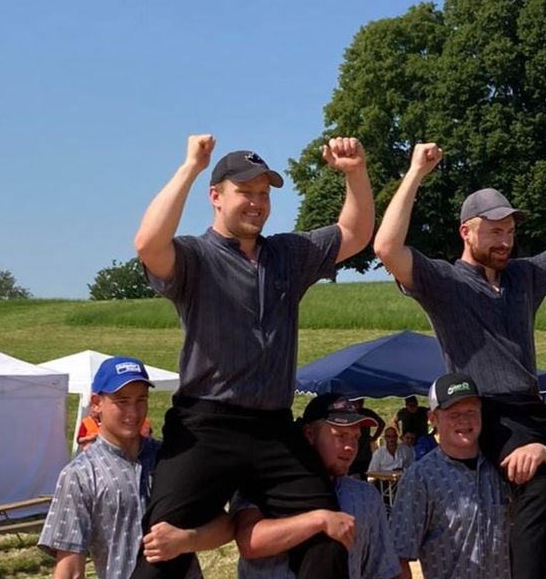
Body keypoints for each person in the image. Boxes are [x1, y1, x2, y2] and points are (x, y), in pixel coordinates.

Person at [375, 142, 546, 578]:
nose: (505, 240)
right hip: (491, 408)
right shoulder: (445, 281)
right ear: (466, 232)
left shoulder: (523, 276)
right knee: (537, 480)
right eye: (494, 230)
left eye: (509, 230)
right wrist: (415, 174)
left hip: (534, 407)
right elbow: (386, 247)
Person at [132, 134, 374, 578]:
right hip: (206, 424)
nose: (257, 202)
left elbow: (355, 234)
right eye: (245, 192)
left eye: (264, 194)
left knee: (328, 534)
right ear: (216, 197)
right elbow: (148, 243)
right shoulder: (195, 256)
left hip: (273, 428)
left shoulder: (287, 254)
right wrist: (191, 166)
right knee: (160, 545)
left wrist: (355, 173)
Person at [143, 394, 401, 579]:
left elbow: (383, 569)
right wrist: (319, 519)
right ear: (309, 433)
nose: (350, 446)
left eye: (356, 437)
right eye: (339, 435)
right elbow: (248, 541)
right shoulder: (267, 480)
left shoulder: (365, 497)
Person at [389, 373, 546, 579]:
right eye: (453, 413)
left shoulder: (506, 464)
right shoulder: (420, 478)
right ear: (433, 418)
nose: (464, 420)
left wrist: (545, 453)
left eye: (471, 411)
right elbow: (397, 555)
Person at [39, 357, 216, 579]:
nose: (133, 412)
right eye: (122, 401)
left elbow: (226, 526)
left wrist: (186, 540)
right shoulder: (80, 475)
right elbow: (70, 570)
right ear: (96, 403)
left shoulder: (171, 458)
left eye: (141, 399)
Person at [77, 409, 151, 451]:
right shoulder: (86, 422)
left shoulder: (108, 420)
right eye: (94, 410)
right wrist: (90, 438)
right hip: (89, 451)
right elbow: (79, 440)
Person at [349, 398, 385, 479]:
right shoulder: (348, 413)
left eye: (361, 402)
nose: (358, 404)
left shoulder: (367, 412)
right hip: (352, 450)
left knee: (363, 476)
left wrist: (374, 437)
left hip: (364, 452)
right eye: (356, 402)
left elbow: (381, 423)